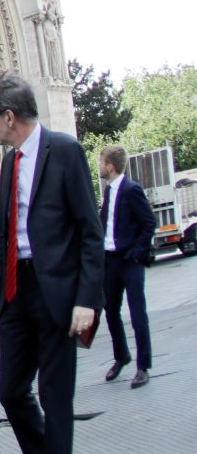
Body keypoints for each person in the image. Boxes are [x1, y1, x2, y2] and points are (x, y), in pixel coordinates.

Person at [0, 71, 103, 454]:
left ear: (9, 116)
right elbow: (5, 233)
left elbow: (90, 233)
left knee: (56, 398)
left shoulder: (65, 151)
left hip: (58, 293)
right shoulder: (10, 163)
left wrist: (87, 300)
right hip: (16, 289)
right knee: (11, 390)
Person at [98, 145, 155, 387]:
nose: (99, 166)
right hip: (110, 261)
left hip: (129, 261)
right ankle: (122, 356)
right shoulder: (109, 192)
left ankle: (143, 366)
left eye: (101, 162)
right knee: (110, 311)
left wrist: (136, 252)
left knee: (137, 313)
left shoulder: (132, 190)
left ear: (110, 165)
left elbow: (148, 222)